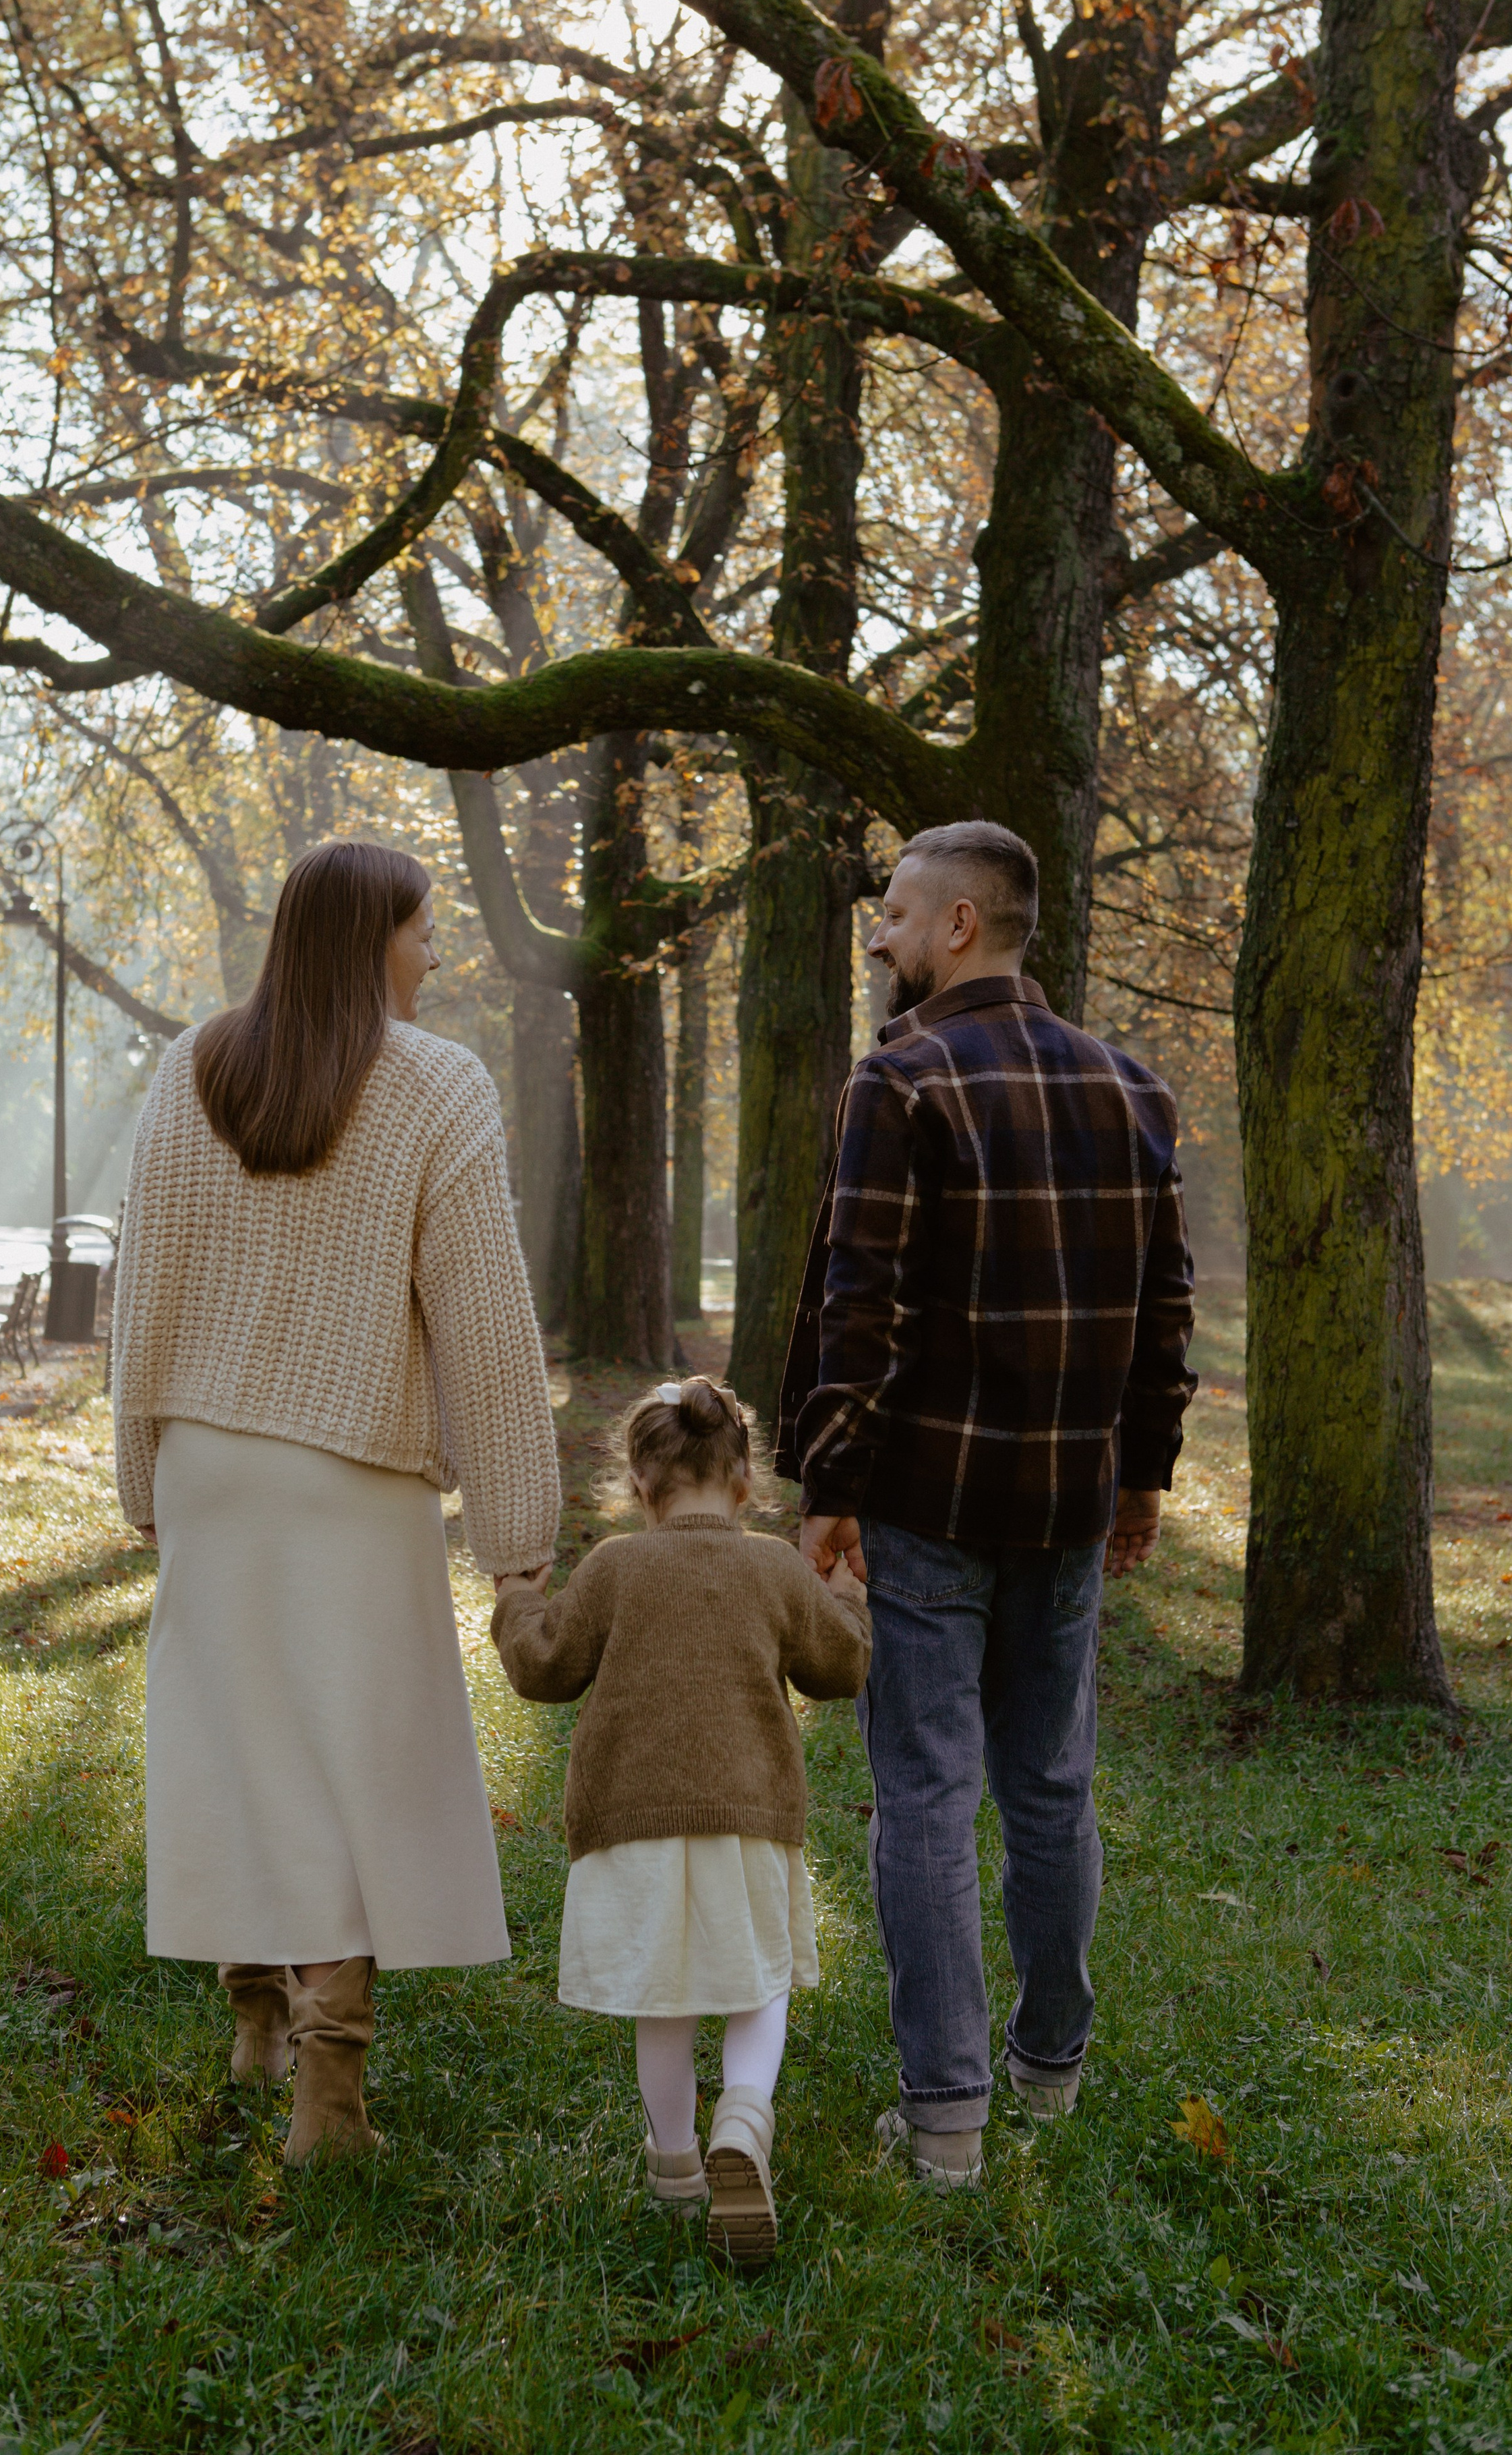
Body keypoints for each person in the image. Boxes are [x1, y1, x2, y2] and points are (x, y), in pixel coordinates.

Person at [109, 840, 559, 2165]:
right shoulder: (435, 1085)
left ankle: (255, 2020)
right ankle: (332, 2103)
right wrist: (516, 1542)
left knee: (232, 1738)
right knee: (352, 1771)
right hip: (348, 1481)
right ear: (371, 937)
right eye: (424, 931)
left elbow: (145, 1293)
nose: (436, 954)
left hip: (207, 1464)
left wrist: (142, 1474)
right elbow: (483, 1329)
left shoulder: (191, 1068)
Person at [778, 820, 1196, 2189]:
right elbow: (1162, 1312)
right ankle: (1048, 2072)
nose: (879, 935)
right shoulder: (1131, 1089)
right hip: (1068, 1497)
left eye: (894, 913)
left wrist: (829, 1481)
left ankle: (946, 2119)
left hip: (927, 1502)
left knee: (921, 1793)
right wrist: (1141, 1472)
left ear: (961, 924)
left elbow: (861, 1301)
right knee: (1048, 1785)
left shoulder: (898, 1083)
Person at [490, 1377, 871, 2266]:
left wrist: (516, 1596)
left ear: (640, 1483)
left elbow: (544, 1667)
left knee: (661, 2002)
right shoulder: (776, 1567)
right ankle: (744, 2114)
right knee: (757, 1984)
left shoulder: (617, 1567)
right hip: (750, 1815)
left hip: (633, 1818)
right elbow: (842, 1669)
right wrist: (850, 1595)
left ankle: (675, 2169)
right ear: (744, 1483)